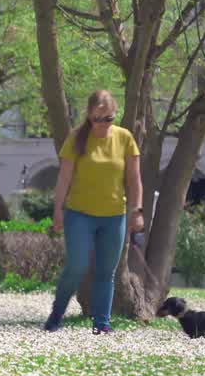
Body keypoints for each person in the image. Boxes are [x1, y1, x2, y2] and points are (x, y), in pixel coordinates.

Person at [44, 90, 144, 334]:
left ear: (114, 115)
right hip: (79, 214)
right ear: (89, 115)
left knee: (106, 271)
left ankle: (102, 323)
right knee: (76, 266)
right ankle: (57, 314)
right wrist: (58, 210)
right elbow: (64, 178)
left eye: (108, 119)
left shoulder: (125, 138)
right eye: (97, 119)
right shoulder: (76, 138)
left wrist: (137, 210)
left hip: (114, 216)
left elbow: (134, 179)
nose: (102, 124)